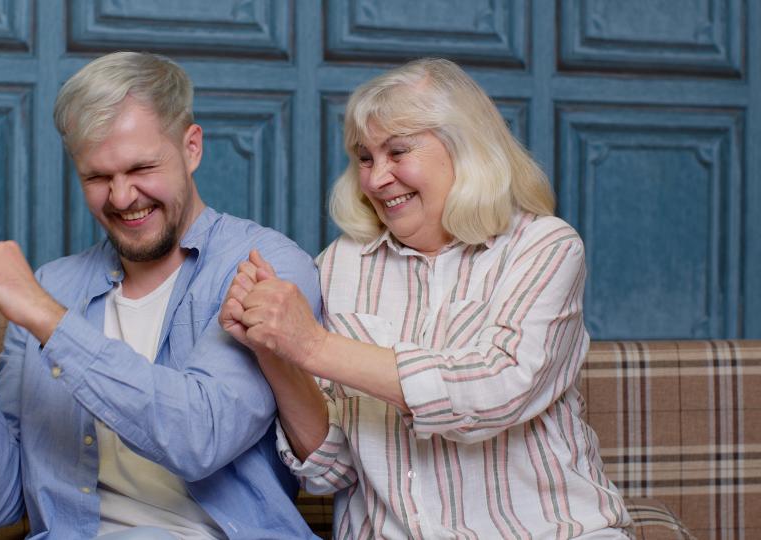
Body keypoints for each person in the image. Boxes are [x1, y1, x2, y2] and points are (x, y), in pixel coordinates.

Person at [0, 51, 320, 540]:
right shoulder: (54, 284)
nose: (122, 198)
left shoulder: (266, 266)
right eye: (98, 178)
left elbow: (200, 440)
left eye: (141, 168)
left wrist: (47, 319)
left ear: (191, 149)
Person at [220, 58, 633, 539]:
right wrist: (275, 353)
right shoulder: (339, 264)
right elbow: (332, 472)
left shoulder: (545, 246)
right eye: (365, 157)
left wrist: (310, 345)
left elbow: (495, 389)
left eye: (398, 152)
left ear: (466, 149)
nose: (375, 179)